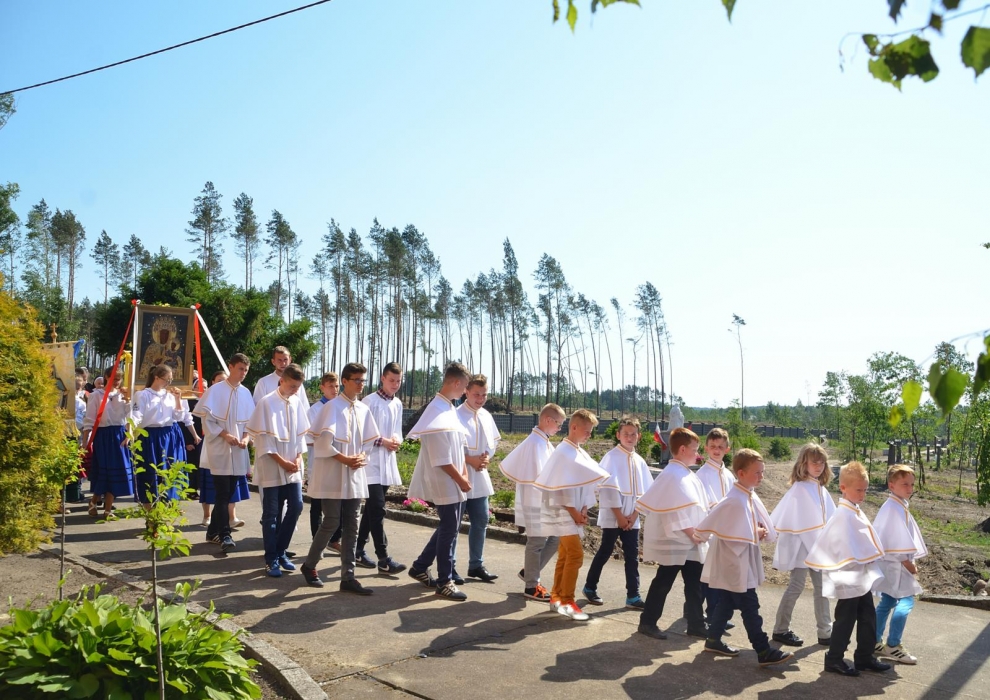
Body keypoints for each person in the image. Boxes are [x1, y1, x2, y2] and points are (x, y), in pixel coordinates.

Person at [696, 449, 793, 667]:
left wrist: (757, 531)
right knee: (750, 606)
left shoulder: (746, 494)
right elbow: (732, 533)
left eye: (762, 472)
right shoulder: (735, 500)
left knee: (727, 602)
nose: (761, 476)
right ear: (741, 473)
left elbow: (742, 527)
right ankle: (763, 649)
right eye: (757, 472)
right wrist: (755, 532)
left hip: (739, 561)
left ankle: (713, 640)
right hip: (734, 563)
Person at [805, 461, 891, 676]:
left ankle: (864, 657)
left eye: (865, 490)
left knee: (867, 616)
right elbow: (840, 545)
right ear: (843, 488)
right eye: (859, 490)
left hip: (859, 574)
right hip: (847, 574)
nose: (863, 494)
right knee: (846, 617)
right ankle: (834, 659)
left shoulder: (854, 510)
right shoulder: (843, 514)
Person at [300, 362, 380, 595]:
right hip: (334, 473)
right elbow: (322, 444)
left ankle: (348, 577)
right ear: (344, 381)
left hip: (354, 473)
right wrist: (345, 459)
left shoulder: (363, 409)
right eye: (357, 380)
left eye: (363, 380)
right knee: (332, 521)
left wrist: (362, 456)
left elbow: (369, 441)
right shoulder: (331, 407)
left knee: (353, 523)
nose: (361, 384)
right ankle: (309, 565)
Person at [636, 427, 710, 641]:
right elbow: (673, 511)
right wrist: (692, 533)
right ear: (683, 449)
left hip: (690, 539)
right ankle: (647, 622)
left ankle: (696, 624)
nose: (697, 454)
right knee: (664, 581)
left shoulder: (685, 473)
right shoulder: (671, 475)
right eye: (695, 449)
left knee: (694, 584)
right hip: (677, 539)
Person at [534, 409, 609, 621]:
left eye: (591, 431)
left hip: (573, 511)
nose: (589, 435)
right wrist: (575, 512)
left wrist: (584, 508)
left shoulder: (576, 451)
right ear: (574, 427)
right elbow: (561, 489)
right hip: (564, 512)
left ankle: (557, 597)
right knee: (575, 555)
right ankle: (567, 601)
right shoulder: (564, 452)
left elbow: (584, 483)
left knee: (566, 555)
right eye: (587, 430)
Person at [405, 362, 472, 601]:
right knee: (449, 530)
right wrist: (460, 479)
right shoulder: (435, 411)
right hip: (445, 480)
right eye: (465, 386)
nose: (465, 391)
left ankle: (420, 567)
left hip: (455, 478)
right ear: (456, 383)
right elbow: (441, 458)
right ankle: (445, 581)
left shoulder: (448, 407)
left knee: (448, 527)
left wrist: (464, 475)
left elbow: (458, 447)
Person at [582, 416, 654, 609]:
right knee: (605, 551)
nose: (629, 437)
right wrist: (620, 517)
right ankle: (590, 587)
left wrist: (635, 515)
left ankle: (633, 595)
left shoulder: (640, 461)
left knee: (632, 556)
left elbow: (645, 493)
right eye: (626, 434)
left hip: (632, 517)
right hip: (614, 516)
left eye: (633, 434)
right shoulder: (611, 457)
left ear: (638, 436)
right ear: (618, 435)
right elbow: (608, 489)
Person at [498, 403, 566, 602]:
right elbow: (538, 477)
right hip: (536, 501)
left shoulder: (542, 440)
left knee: (555, 538)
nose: (559, 428)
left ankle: (529, 571)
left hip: (543, 500)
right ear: (547, 420)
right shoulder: (535, 443)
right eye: (558, 424)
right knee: (536, 542)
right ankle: (531, 585)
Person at [770, 443, 835, 647]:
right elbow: (795, 521)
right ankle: (780, 629)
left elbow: (829, 520)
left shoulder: (821, 489)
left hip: (817, 549)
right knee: (796, 587)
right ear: (803, 463)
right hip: (802, 550)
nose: (818, 466)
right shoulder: (799, 489)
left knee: (822, 588)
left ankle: (825, 632)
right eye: (814, 462)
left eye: (822, 462)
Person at [248, 362, 310, 577]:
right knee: (272, 513)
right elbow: (263, 441)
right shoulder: (266, 403)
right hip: (272, 465)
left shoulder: (296, 402)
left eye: (298, 387)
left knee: (297, 506)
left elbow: (300, 436)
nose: (295, 390)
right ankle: (271, 558)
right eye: (292, 386)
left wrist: (299, 457)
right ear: (282, 381)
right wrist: (282, 462)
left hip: (293, 465)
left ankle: (281, 550)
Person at [194, 356, 255, 553]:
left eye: (246, 370)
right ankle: (225, 534)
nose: (243, 373)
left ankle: (212, 532)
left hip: (238, 451)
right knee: (222, 493)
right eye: (240, 368)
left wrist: (246, 438)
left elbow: (250, 423)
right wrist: (225, 435)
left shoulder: (245, 392)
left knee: (228, 494)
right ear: (230, 367)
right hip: (220, 448)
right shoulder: (215, 390)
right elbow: (207, 422)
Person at [872, 464, 926, 665]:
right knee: (906, 601)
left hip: (889, 565)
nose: (910, 488)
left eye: (912, 484)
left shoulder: (895, 505)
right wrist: (910, 565)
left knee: (887, 601)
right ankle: (893, 645)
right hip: (897, 565)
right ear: (891, 485)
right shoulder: (894, 509)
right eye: (905, 484)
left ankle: (873, 640)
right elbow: (896, 544)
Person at [358, 363, 406, 574]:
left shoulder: (397, 403)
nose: (395, 384)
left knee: (372, 509)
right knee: (378, 509)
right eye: (391, 380)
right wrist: (382, 441)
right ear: (382, 379)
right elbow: (361, 433)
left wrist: (396, 441)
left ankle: (358, 549)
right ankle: (383, 558)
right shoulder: (369, 401)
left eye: (398, 381)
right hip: (370, 462)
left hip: (387, 461)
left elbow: (397, 431)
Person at [454, 373, 501, 582]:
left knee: (481, 519)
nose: (480, 399)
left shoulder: (486, 415)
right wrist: (469, 460)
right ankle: (449, 566)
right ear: (466, 392)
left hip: (480, 476)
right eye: (476, 394)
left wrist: (486, 457)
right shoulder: (456, 415)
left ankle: (476, 565)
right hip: (459, 475)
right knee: (453, 524)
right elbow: (449, 448)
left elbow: (493, 444)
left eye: (484, 394)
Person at [132, 365, 188, 509]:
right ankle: (150, 511)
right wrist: (130, 432)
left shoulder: (169, 395)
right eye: (167, 380)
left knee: (168, 472)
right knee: (150, 472)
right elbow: (136, 416)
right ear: (156, 378)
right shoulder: (143, 394)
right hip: (150, 437)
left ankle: (165, 508)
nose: (169, 383)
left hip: (168, 436)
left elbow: (178, 417)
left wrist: (178, 399)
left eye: (171, 380)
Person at [695, 428, 735, 626]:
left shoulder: (728, 474)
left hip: (726, 531)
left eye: (720, 446)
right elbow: (705, 504)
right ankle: (711, 615)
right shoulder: (702, 474)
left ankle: (697, 611)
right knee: (710, 575)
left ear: (727, 449)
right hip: (711, 531)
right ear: (706, 448)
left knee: (719, 575)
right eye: (713, 446)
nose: (716, 450)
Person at [82, 366, 133, 520]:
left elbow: (130, 416)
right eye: (114, 378)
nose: (117, 382)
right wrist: (85, 442)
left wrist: (129, 434)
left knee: (115, 472)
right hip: (103, 436)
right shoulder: (96, 395)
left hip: (119, 435)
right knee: (104, 472)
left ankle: (108, 509)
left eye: (119, 379)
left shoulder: (123, 395)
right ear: (106, 377)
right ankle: (94, 501)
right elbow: (90, 419)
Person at [306, 372, 339, 540]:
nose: (334, 389)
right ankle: (316, 539)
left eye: (337, 386)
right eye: (330, 386)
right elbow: (309, 439)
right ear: (322, 388)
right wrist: (327, 443)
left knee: (337, 504)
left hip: (338, 462)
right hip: (319, 463)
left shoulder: (341, 407)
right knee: (317, 505)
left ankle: (334, 539)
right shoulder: (314, 410)